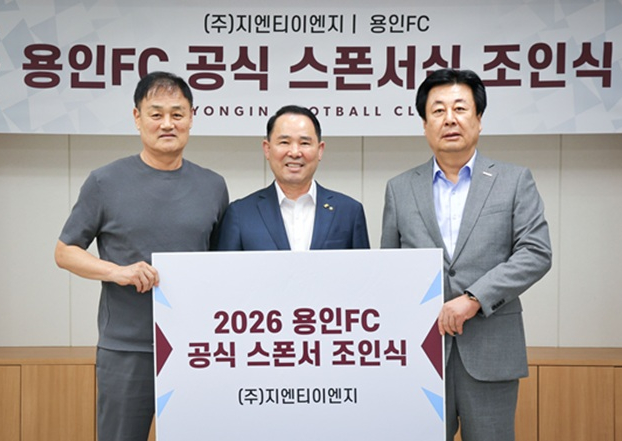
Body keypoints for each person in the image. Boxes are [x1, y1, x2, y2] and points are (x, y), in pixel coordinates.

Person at [54, 71, 229, 441]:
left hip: (194, 348)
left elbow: (218, 263)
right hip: (126, 349)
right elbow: (65, 252)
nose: (167, 124)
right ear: (137, 118)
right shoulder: (104, 182)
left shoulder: (213, 186)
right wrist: (117, 271)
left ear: (192, 118)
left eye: (177, 114)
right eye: (156, 113)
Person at [380, 69, 552, 441]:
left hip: (491, 351)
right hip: (421, 356)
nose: (449, 119)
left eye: (460, 108)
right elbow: (389, 270)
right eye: (438, 110)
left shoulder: (514, 181)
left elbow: (536, 252)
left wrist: (474, 298)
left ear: (479, 119)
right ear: (424, 124)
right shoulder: (399, 189)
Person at [218, 105, 370, 251]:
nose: (295, 152)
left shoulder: (349, 211)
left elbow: (364, 268)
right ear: (267, 149)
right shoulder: (240, 213)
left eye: (304, 143)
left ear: (320, 150)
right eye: (284, 142)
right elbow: (226, 268)